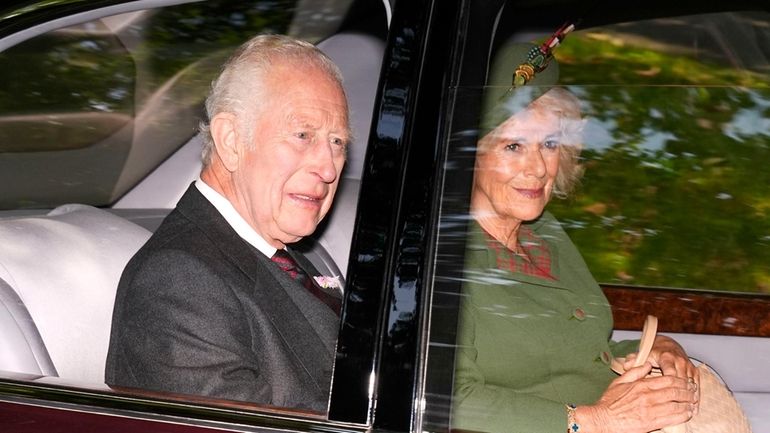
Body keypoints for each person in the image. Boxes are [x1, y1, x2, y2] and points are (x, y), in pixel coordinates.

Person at [451, 41, 700, 433]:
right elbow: (444, 400)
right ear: (471, 156)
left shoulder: (544, 233)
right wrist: (593, 421)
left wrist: (650, 351)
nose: (537, 168)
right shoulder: (444, 258)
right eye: (513, 145)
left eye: (549, 144)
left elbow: (576, 353)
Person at [105, 34, 349, 412]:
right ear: (232, 140)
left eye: (337, 142)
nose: (329, 166)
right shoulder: (177, 281)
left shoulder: (284, 253)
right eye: (303, 135)